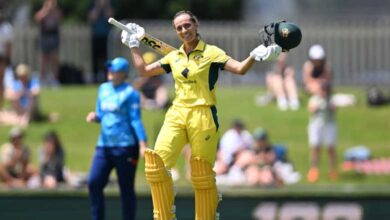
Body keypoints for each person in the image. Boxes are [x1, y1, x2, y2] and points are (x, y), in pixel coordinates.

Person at [120, 10, 283, 219]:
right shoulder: (173, 56)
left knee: (201, 174)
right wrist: (134, 45)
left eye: (187, 25)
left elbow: (240, 69)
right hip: (177, 113)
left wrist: (253, 55)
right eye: (179, 28)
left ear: (196, 25)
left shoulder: (212, 53)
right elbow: (144, 71)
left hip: (203, 115)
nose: (183, 30)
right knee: (155, 164)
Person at [85, 57, 147, 220]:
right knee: (94, 182)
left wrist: (142, 144)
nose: (110, 72)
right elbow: (101, 113)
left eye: (114, 70)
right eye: (109, 69)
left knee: (126, 189)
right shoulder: (103, 89)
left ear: (123, 73)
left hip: (125, 147)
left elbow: (135, 119)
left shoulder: (130, 94)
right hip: (104, 146)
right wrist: (95, 116)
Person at [306, 82, 338, 183]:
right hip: (316, 125)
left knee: (331, 148)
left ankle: (332, 169)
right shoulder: (314, 99)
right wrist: (319, 105)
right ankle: (314, 169)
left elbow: (334, 109)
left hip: (329, 124)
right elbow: (311, 109)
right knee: (315, 147)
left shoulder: (331, 99)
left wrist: (328, 104)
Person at [34, 0, 62, 87]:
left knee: (54, 59)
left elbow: (59, 18)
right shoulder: (43, 11)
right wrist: (46, 11)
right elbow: (37, 18)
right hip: (45, 37)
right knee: (44, 59)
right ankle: (42, 79)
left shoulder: (56, 12)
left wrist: (53, 12)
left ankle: (55, 80)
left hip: (53, 36)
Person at [88, 0, 114, 83]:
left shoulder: (109, 3)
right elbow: (93, 17)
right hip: (96, 36)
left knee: (107, 58)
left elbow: (110, 16)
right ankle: (95, 78)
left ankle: (108, 77)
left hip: (107, 36)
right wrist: (98, 6)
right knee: (95, 58)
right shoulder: (92, 4)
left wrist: (106, 5)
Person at [0, 11, 14, 107]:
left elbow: (8, 45)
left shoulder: (6, 28)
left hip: (1, 56)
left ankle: (1, 105)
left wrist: (7, 59)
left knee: (1, 81)